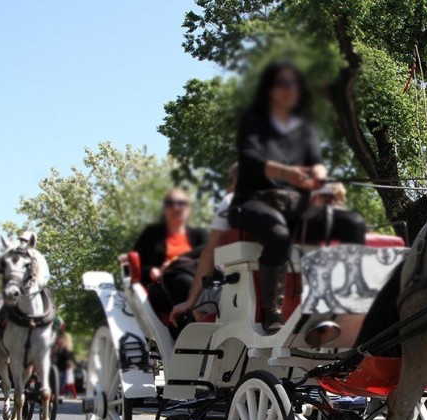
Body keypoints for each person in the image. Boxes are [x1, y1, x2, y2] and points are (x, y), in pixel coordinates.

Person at [230, 60, 365, 333]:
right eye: (283, 83)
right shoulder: (253, 120)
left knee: (353, 223)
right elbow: (250, 159)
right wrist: (288, 173)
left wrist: (317, 175)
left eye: (295, 84)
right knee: (277, 236)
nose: (290, 89)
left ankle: (342, 299)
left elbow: (316, 161)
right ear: (269, 88)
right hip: (256, 200)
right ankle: (273, 311)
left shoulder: (303, 128)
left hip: (296, 205)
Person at [169, 163, 237, 325]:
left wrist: (190, 302)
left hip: (237, 294)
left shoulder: (230, 203)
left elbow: (209, 252)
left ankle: (195, 313)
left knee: (196, 291)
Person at [132, 188, 209, 308]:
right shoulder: (151, 234)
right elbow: (132, 268)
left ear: (188, 209)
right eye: (170, 203)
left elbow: (210, 252)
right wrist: (150, 271)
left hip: (198, 277)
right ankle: (198, 322)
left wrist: (174, 261)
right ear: (164, 209)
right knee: (183, 281)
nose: (176, 207)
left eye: (181, 203)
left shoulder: (199, 234)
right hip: (163, 284)